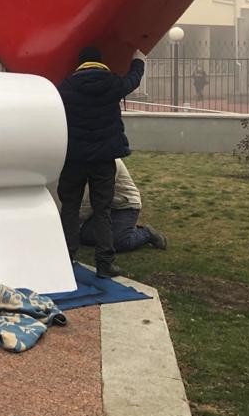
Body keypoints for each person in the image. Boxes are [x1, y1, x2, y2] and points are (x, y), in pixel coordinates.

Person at [56, 45, 145, 278]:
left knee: (70, 208)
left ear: (80, 64)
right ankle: (105, 264)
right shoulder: (112, 83)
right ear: (99, 61)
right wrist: (139, 60)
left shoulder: (66, 86)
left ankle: (66, 257)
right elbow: (132, 81)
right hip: (104, 160)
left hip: (74, 158)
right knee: (103, 210)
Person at [79, 159, 167, 253]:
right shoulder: (86, 158)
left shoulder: (110, 162)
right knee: (84, 236)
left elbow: (94, 197)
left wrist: (75, 219)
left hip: (125, 206)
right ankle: (123, 228)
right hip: (106, 206)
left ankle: (146, 233)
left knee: (120, 242)